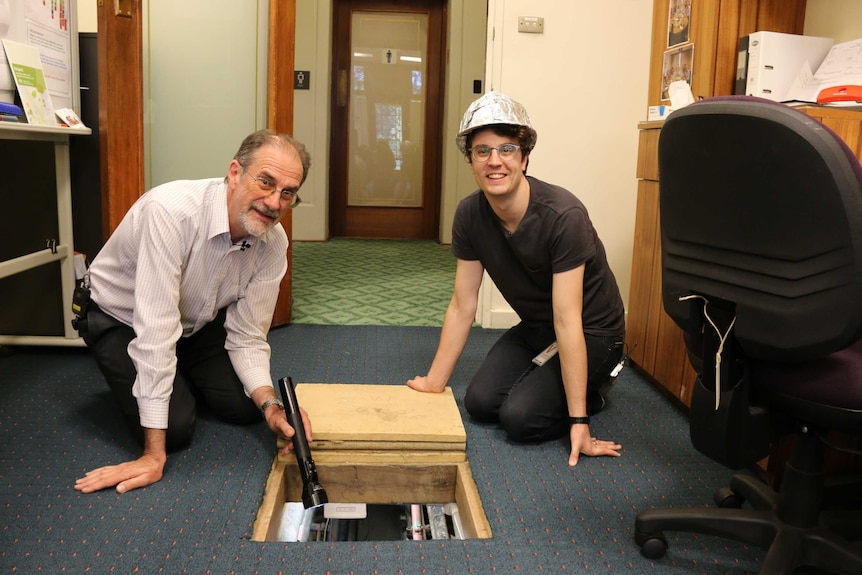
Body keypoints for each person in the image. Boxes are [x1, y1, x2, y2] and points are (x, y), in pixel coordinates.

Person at [74, 129, 313, 494]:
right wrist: (152, 455)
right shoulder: (170, 213)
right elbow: (155, 330)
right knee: (175, 429)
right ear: (235, 172)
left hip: (194, 321)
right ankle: (159, 386)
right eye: (265, 182)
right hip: (119, 317)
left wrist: (273, 406)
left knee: (246, 407)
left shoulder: (273, 242)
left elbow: (248, 335)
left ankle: (174, 378)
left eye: (287, 193)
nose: (274, 202)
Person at [407, 92, 626, 467]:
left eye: (507, 149)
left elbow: (568, 319)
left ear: (524, 157)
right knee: (479, 403)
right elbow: (463, 304)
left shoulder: (563, 215)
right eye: (482, 151)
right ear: (471, 162)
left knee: (520, 419)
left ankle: (595, 389)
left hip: (592, 331)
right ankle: (552, 381)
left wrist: (579, 421)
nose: (495, 161)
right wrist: (433, 380)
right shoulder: (470, 215)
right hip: (539, 326)